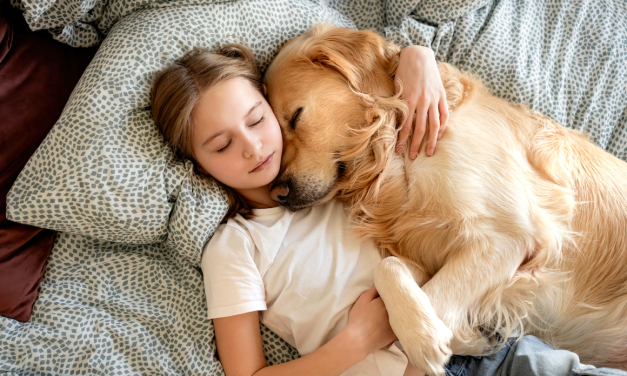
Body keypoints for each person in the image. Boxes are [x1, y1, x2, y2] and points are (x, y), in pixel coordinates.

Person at [150, 42, 626, 376]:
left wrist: (412, 57)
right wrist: (361, 338)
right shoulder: (246, 238)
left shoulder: (357, 177)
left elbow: (510, 240)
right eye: (221, 145)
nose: (256, 148)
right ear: (199, 166)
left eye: (264, 120)